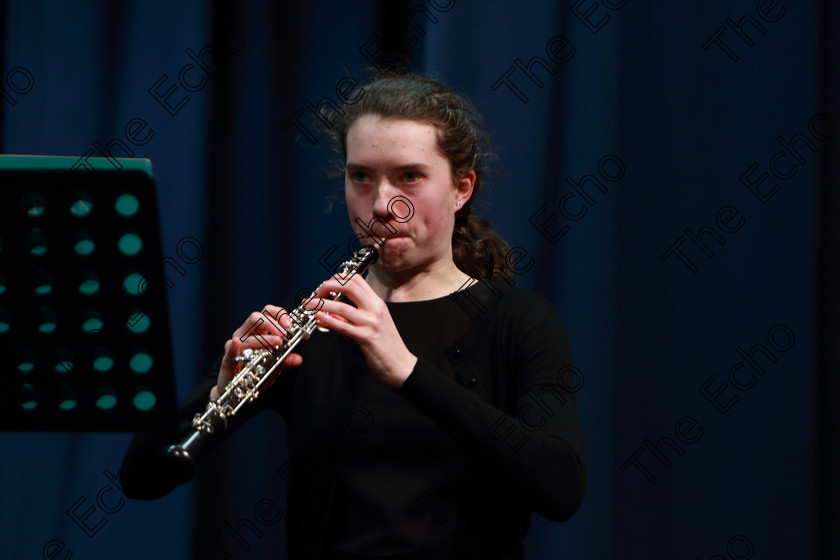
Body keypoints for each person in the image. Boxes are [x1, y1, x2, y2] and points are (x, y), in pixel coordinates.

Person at [121, 72, 585, 560]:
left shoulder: (518, 321)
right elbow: (141, 478)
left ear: (461, 188)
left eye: (410, 176)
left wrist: (408, 372)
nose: (382, 206)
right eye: (361, 176)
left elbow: (561, 488)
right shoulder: (316, 327)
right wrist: (217, 394)